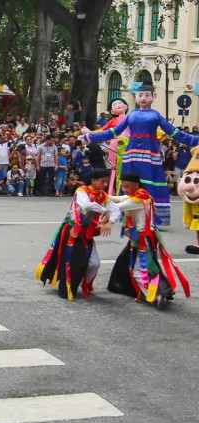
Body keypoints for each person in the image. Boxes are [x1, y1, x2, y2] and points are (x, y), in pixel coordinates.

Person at [84, 82, 199, 225]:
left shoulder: (156, 115)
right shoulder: (131, 115)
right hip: (131, 154)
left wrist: (194, 140)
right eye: (140, 95)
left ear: (153, 97)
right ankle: (125, 215)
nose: (143, 98)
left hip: (150, 155)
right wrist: (91, 137)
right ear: (135, 96)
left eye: (146, 95)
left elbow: (173, 132)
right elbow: (113, 131)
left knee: (150, 183)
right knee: (129, 183)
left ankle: (153, 216)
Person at [107, 172, 189, 309]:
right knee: (127, 261)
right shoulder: (142, 195)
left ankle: (155, 296)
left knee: (140, 271)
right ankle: (154, 291)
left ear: (136, 185)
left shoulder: (137, 200)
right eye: (122, 186)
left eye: (126, 186)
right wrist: (99, 195)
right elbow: (118, 198)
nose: (124, 189)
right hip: (145, 237)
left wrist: (96, 203)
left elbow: (117, 206)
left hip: (142, 239)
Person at [36, 169, 121, 300]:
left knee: (94, 264)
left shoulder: (102, 196)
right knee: (71, 262)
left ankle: (84, 283)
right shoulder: (81, 191)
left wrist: (110, 221)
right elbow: (86, 205)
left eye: (106, 182)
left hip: (87, 233)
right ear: (93, 181)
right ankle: (67, 289)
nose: (105, 184)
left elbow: (116, 210)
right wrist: (105, 210)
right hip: (72, 231)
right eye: (102, 181)